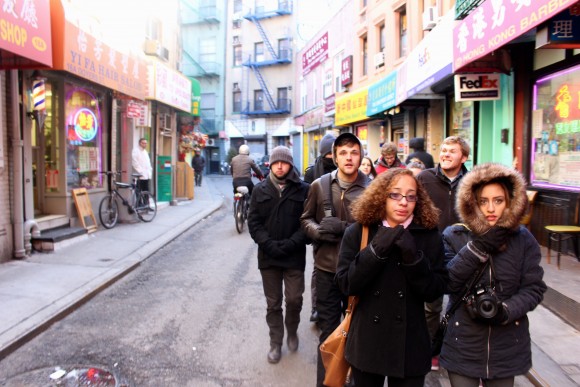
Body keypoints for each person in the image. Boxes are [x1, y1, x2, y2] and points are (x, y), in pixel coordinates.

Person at [335, 168, 447, 386]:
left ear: (418, 200)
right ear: (381, 196)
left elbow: (436, 289)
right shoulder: (360, 231)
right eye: (395, 194)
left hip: (410, 345)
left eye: (410, 196)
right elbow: (345, 283)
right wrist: (375, 251)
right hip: (368, 342)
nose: (403, 202)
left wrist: (413, 258)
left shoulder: (428, 234)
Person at [440, 163, 547, 386]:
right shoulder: (455, 235)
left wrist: (506, 311)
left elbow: (533, 288)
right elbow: (448, 282)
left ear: (510, 202)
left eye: (498, 201)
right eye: (483, 201)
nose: (491, 209)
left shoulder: (523, 240)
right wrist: (478, 248)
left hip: (506, 345)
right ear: (472, 204)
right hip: (463, 342)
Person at [300, 132, 369, 386]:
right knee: (328, 334)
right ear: (334, 156)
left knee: (358, 334)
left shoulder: (371, 188)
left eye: (354, 152)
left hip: (360, 274)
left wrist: (343, 226)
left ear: (360, 156)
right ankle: (327, 382)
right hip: (327, 271)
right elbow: (305, 219)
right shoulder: (320, 185)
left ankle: (352, 380)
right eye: (343, 152)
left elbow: (377, 227)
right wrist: (318, 232)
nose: (349, 157)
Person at [248, 146, 310, 364]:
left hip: (294, 255)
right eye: (276, 162)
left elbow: (307, 222)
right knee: (273, 304)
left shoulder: (303, 189)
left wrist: (292, 243)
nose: (280, 166)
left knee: (294, 299)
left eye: (284, 162)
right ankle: (275, 342)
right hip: (268, 257)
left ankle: (291, 330)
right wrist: (269, 244)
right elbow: (253, 222)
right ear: (271, 165)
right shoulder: (260, 190)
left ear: (290, 164)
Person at [416, 135, 471, 371]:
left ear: (464, 157)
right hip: (432, 251)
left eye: (452, 151)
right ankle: (431, 349)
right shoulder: (424, 178)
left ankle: (461, 353)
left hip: (464, 253)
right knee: (431, 306)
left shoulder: (472, 181)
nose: (446, 154)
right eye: (444, 150)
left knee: (465, 306)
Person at [304, 132, 337, 324]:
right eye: (329, 154)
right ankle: (317, 307)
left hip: (342, 227)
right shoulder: (312, 173)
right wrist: (314, 230)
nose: (332, 158)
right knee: (319, 267)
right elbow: (307, 205)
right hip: (320, 229)